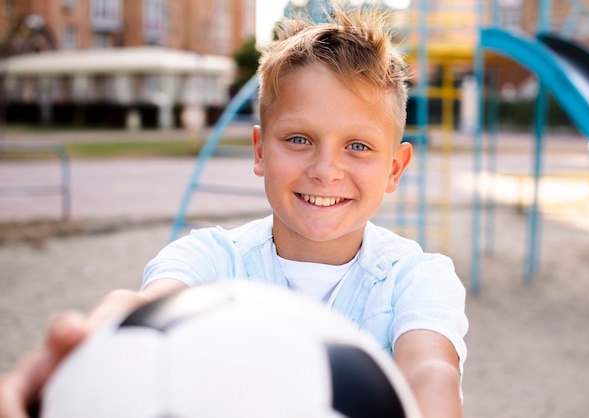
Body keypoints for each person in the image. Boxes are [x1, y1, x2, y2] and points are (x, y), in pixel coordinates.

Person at [0, 5, 468, 418]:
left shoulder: (418, 277)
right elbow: (142, 306)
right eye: (299, 139)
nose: (326, 171)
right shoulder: (211, 257)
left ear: (395, 168)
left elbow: (430, 369)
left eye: (358, 146)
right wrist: (85, 343)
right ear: (261, 150)